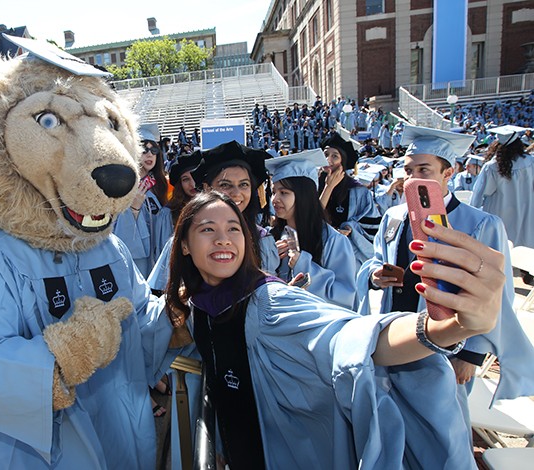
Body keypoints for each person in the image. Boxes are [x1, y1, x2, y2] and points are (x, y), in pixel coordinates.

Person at [163, 190, 507, 468]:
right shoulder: (198, 302)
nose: (224, 239)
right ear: (183, 245)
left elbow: (354, 340)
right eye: (208, 229)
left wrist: (444, 328)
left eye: (234, 229)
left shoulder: (269, 303)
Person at [356, 125, 534, 423]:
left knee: (439, 425)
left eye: (424, 169)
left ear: (447, 173)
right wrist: (375, 276)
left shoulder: (479, 225)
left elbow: (495, 297)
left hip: (450, 347)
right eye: (409, 170)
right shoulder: (393, 217)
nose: (413, 178)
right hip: (397, 334)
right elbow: (373, 261)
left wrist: (472, 355)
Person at [265, 149, 358, 309]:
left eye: (284, 192)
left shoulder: (334, 241)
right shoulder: (271, 237)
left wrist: (304, 265)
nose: (275, 199)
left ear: (304, 196)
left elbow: (345, 297)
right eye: (274, 192)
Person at [190, 140, 279, 273]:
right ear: (207, 188)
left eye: (244, 185)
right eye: (225, 185)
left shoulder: (262, 239)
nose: (236, 193)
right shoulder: (189, 237)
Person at [113, 123, 170, 278]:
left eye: (154, 150)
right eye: (144, 149)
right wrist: (133, 209)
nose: (150, 154)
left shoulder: (157, 186)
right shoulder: (121, 187)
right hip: (137, 264)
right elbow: (119, 238)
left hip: (159, 259)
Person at [319, 133, 380, 267]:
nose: (328, 160)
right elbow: (309, 219)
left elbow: (373, 226)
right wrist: (328, 188)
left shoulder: (359, 192)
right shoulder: (312, 185)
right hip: (318, 253)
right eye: (325, 154)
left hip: (348, 256)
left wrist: (350, 227)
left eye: (335, 156)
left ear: (343, 161)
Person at [470, 125, 534, 249]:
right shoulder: (531, 162)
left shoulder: (493, 166)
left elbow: (480, 194)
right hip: (528, 213)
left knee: (504, 250)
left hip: (502, 216)